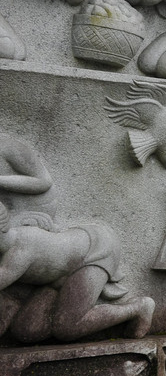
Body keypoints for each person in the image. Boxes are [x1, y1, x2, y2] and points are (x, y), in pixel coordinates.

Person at [0, 132, 154, 342]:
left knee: (68, 327)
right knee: (26, 331)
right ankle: (62, 292)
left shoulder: (21, 245)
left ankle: (138, 308)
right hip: (58, 274)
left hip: (93, 250)